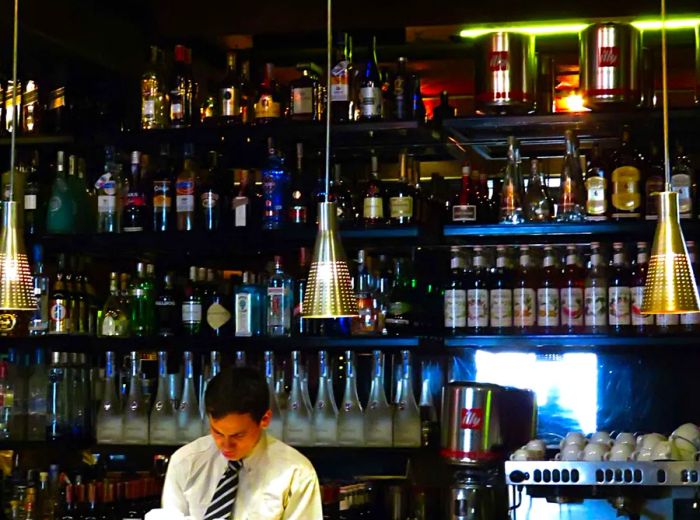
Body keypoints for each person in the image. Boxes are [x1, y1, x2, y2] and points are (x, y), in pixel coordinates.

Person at [162, 366, 323, 519]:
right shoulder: (185, 462)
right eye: (217, 432)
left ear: (265, 419)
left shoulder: (296, 473)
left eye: (237, 435)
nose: (225, 445)